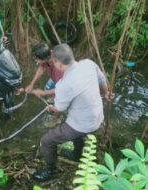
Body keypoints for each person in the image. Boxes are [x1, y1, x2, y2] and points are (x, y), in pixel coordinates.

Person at [32, 43, 108, 181]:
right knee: (74, 127)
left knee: (46, 141)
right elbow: (102, 80)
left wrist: (51, 109)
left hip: (83, 123)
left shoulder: (64, 84)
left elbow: (59, 109)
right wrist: (105, 94)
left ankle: (51, 172)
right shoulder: (88, 64)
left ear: (58, 63)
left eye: (54, 62)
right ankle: (77, 154)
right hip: (98, 116)